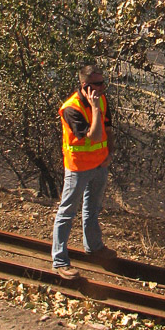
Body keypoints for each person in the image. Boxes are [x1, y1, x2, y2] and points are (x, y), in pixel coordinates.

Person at [51, 64, 116, 279]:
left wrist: (110, 153)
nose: (103, 87)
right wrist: (95, 108)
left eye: (103, 82)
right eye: (98, 83)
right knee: (67, 212)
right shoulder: (72, 108)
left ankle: (94, 248)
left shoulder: (102, 99)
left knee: (92, 209)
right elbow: (94, 136)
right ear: (85, 86)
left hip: (99, 165)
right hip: (78, 168)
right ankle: (60, 261)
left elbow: (107, 130)